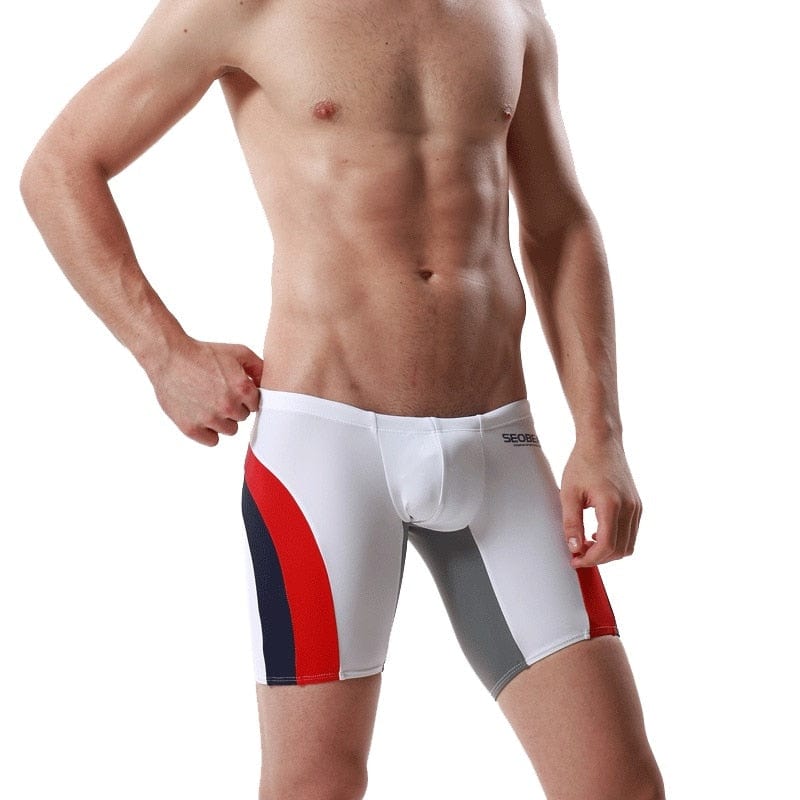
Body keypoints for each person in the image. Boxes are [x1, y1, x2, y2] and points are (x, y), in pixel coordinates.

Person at [20, 0, 665, 797]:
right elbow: (60, 166)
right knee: (314, 785)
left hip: (499, 443)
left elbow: (560, 224)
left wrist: (600, 435)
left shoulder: (510, 12)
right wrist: (164, 354)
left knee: (617, 783)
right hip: (327, 448)